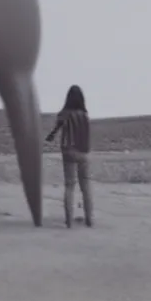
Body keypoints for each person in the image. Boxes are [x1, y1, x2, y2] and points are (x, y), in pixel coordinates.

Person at [46, 85, 92, 228]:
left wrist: (51, 136)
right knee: (85, 187)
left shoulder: (65, 114)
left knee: (69, 186)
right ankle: (89, 219)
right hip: (83, 152)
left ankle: (69, 221)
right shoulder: (85, 115)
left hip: (69, 151)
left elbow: (56, 127)